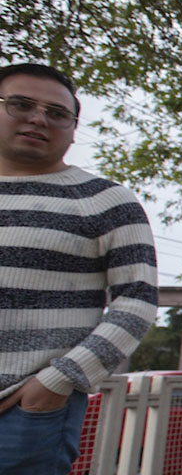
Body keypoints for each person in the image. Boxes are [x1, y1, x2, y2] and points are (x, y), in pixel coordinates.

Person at [0, 63, 159, 474]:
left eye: (56, 113)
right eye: (21, 104)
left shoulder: (105, 202)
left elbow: (137, 301)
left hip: (24, 412)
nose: (38, 118)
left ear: (73, 127)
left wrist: (60, 380)